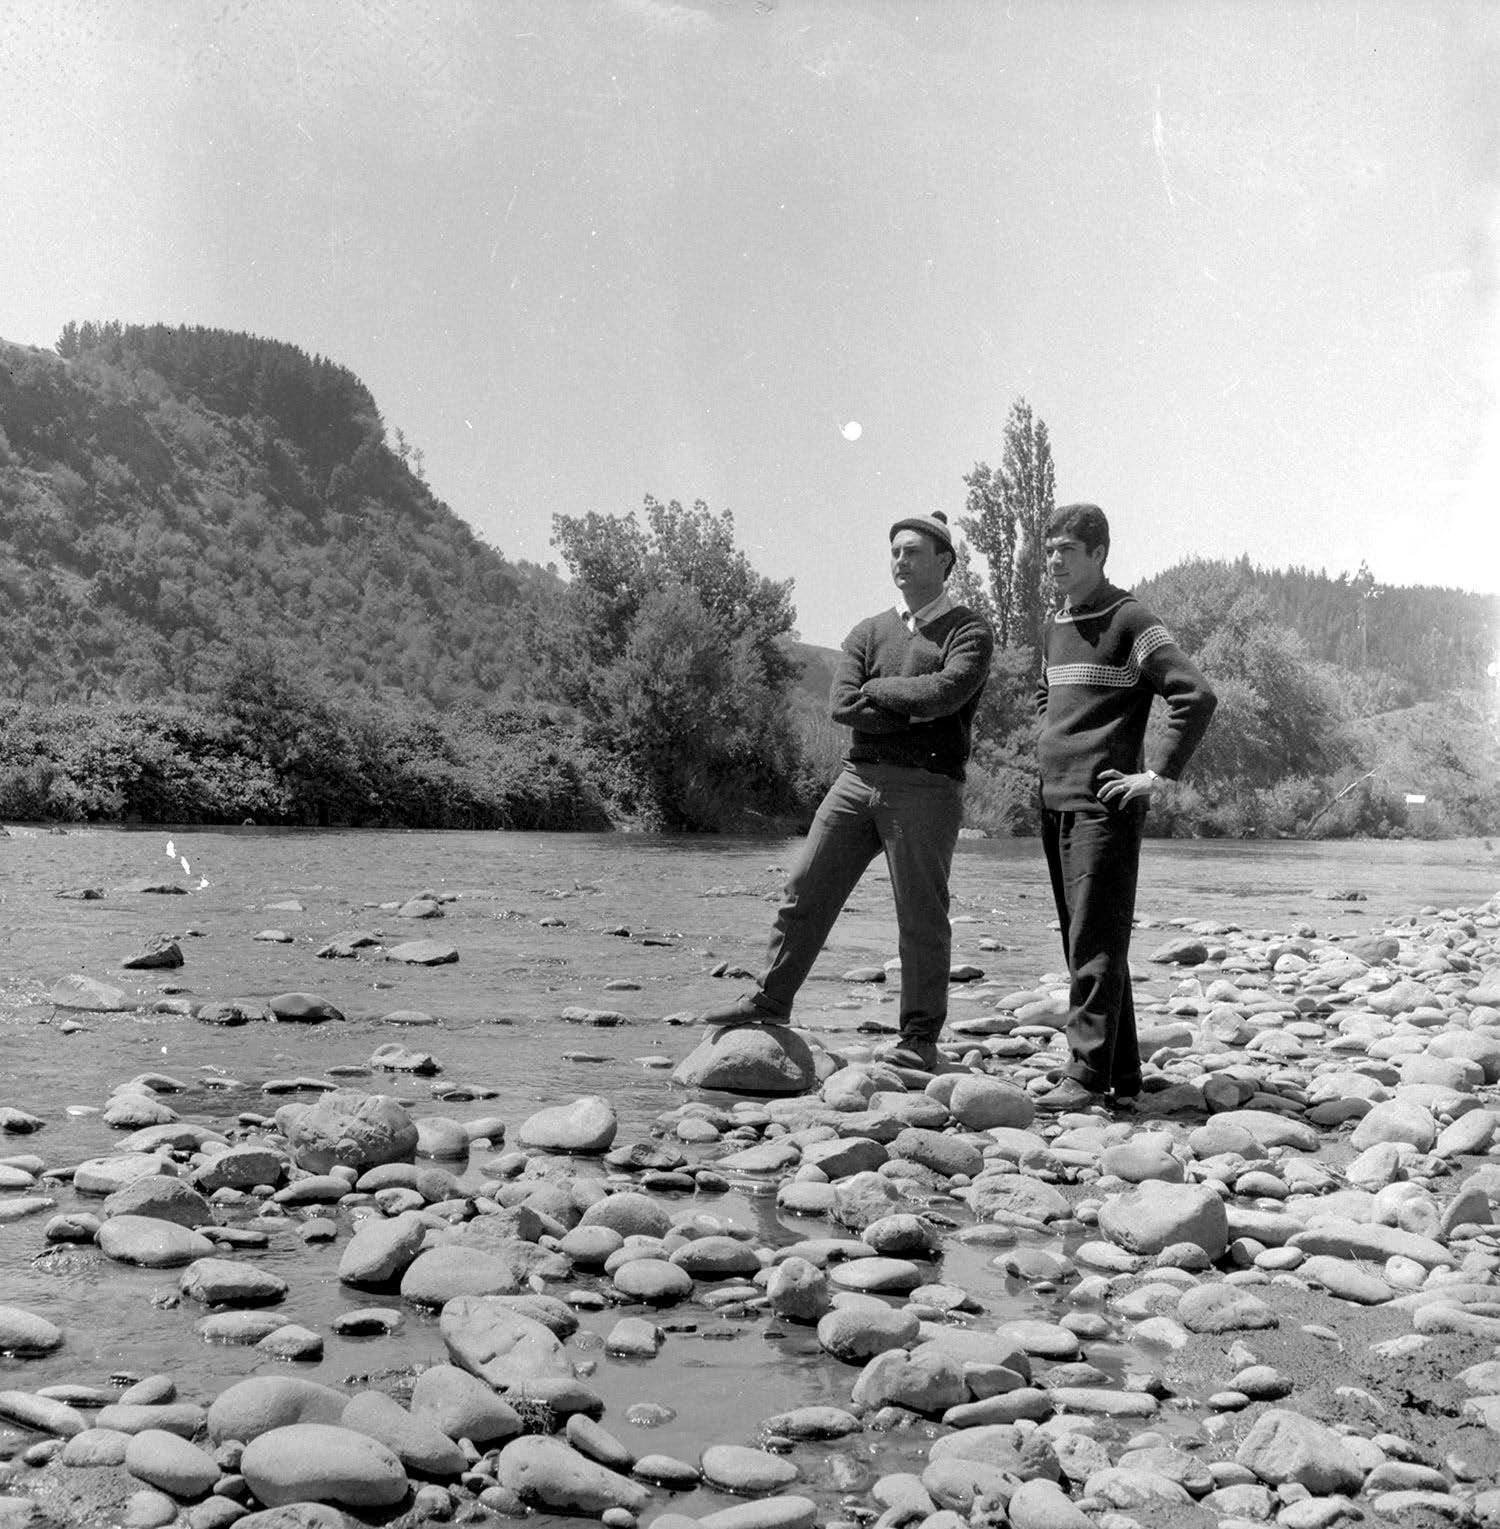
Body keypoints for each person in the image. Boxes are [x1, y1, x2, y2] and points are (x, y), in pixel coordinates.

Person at [696, 510, 995, 1072]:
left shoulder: (969, 630)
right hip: (856, 779)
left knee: (920, 915)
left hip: (928, 786)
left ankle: (919, 1039)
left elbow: (945, 695)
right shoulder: (867, 630)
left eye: (912, 551)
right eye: (895, 552)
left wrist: (878, 692)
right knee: (805, 888)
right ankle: (770, 1000)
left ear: (944, 561)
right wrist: (909, 709)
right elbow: (841, 705)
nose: (900, 560)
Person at [1031, 502, 1217, 1111]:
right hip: (1055, 797)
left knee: (1094, 941)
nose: (1054, 560)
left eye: (1066, 550)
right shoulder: (1058, 623)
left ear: (1099, 554)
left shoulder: (1130, 619)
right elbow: (1046, 694)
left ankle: (1085, 1076)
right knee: (1088, 938)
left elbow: (1195, 694)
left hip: (1103, 803)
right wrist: (1051, 743)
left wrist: (1156, 775)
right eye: (1049, 550)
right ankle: (1122, 1070)